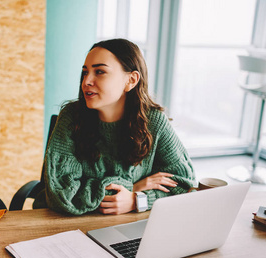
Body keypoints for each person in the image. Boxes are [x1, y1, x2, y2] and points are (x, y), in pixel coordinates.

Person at [34, 38, 195, 215]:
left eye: (100, 72)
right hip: (66, 224)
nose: (87, 81)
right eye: (85, 72)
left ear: (131, 80)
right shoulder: (71, 117)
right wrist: (133, 187)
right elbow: (63, 195)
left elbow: (185, 184)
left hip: (126, 224)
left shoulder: (154, 121)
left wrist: (136, 200)